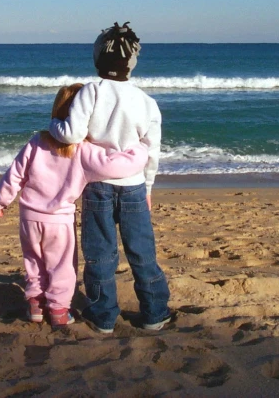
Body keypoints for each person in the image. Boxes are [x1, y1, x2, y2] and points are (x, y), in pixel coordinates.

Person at [48, 22, 172, 333]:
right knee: (142, 252)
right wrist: (149, 186)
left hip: (97, 186)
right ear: (132, 62)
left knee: (100, 254)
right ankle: (155, 314)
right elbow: (152, 150)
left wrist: (53, 126)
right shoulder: (145, 101)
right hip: (133, 186)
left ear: (97, 58)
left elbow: (72, 134)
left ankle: (103, 317)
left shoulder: (91, 91)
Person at [0, 83, 148, 328]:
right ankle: (58, 310)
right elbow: (117, 166)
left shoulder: (37, 141)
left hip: (29, 217)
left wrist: (2, 198)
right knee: (62, 266)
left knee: (34, 260)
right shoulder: (83, 151)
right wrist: (141, 151)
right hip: (59, 219)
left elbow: (16, 173)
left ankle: (35, 305)